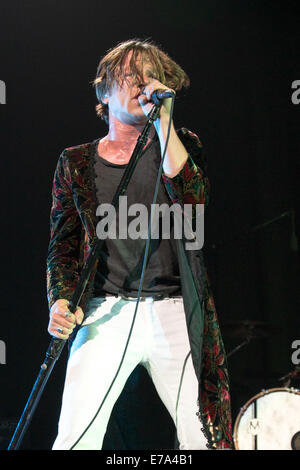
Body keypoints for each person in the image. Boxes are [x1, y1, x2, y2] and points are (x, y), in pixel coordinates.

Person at [47, 38, 232, 450]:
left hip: (175, 311)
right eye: (129, 76)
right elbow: (63, 244)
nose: (140, 84)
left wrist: (164, 123)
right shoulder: (75, 162)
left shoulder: (182, 145)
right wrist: (60, 300)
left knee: (204, 437)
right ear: (103, 91)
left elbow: (193, 203)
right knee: (74, 437)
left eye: (150, 76)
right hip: (105, 309)